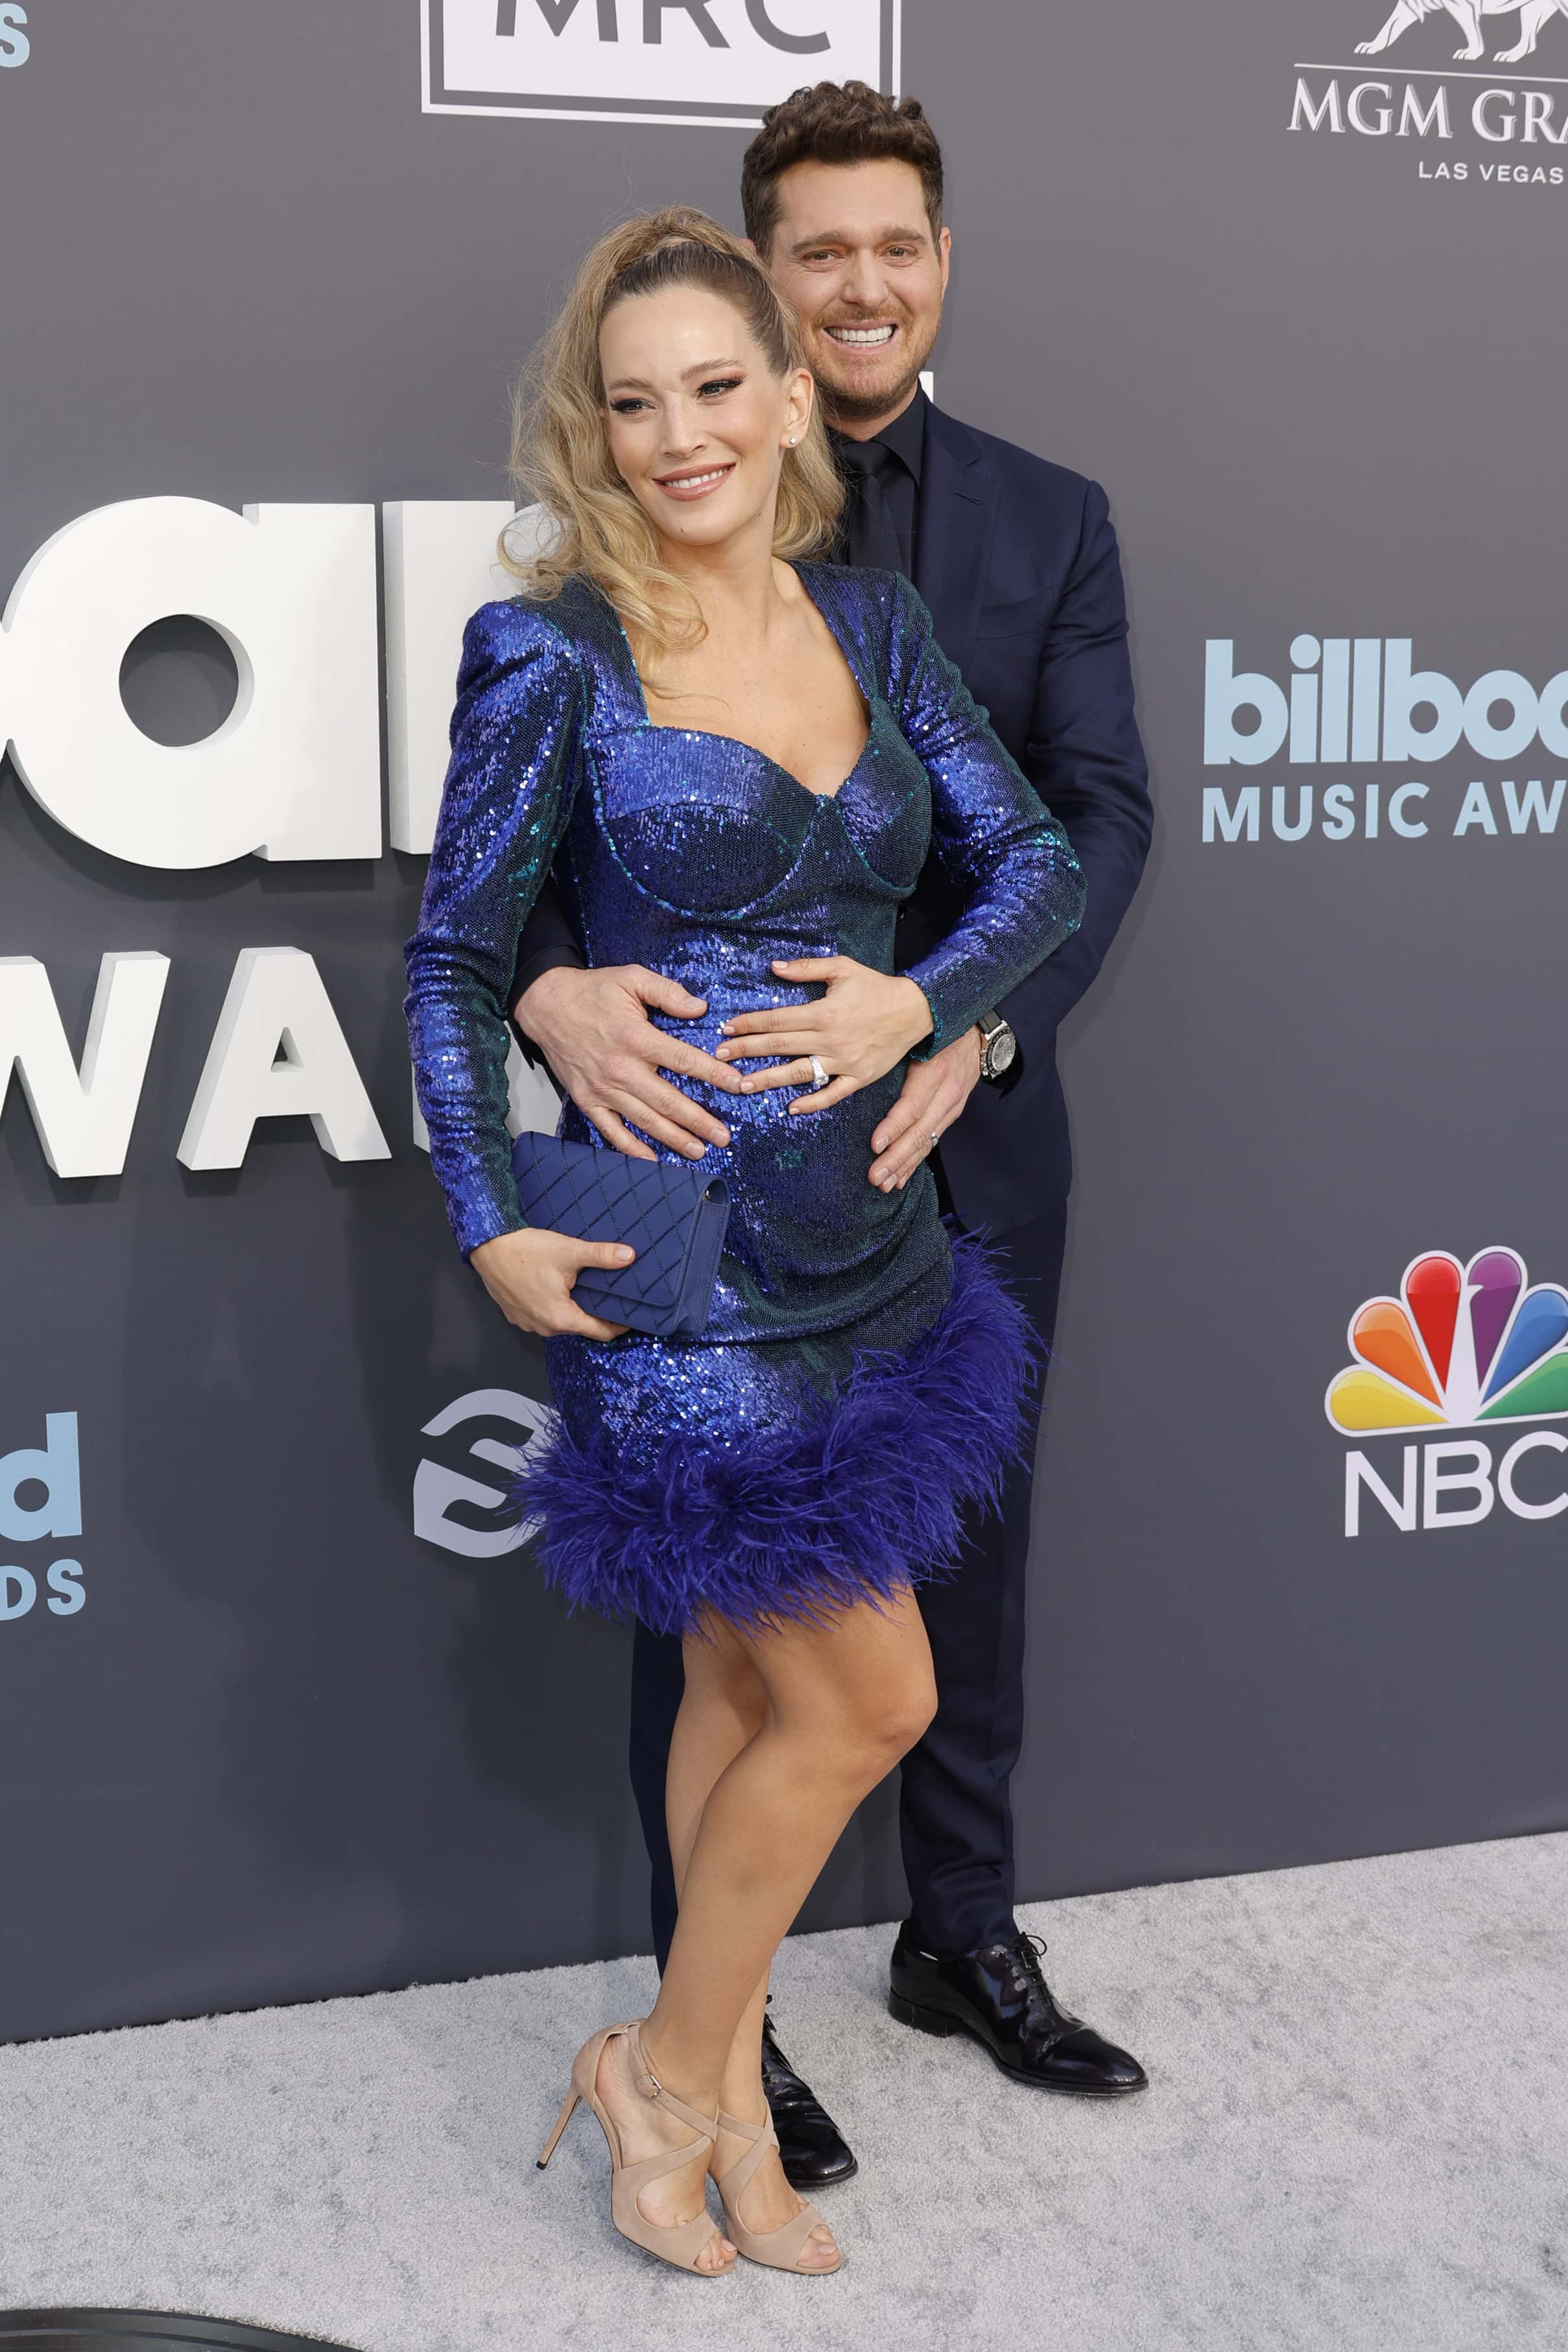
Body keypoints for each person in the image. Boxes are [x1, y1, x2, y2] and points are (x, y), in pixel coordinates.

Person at [404, 208, 1084, 2275]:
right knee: (867, 1697)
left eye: (718, 385)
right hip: (681, 1266)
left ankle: (723, 2116)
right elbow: (452, 951)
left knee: (732, 1680)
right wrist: (486, 1225)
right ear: (591, 434)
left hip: (870, 1248)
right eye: (633, 402)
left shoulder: (872, 628)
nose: (680, 432)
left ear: (794, 395)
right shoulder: (555, 649)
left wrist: (928, 999)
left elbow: (1036, 860)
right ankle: (672, 2074)